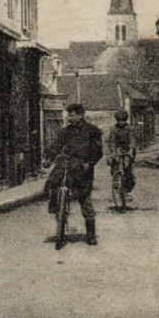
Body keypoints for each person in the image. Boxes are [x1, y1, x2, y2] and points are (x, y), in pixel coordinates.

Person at [44, 103, 104, 245]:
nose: (69, 118)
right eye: (68, 115)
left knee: (85, 199)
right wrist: (48, 159)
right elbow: (57, 145)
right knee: (53, 183)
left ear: (80, 115)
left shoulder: (92, 130)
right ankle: (58, 215)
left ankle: (91, 234)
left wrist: (89, 163)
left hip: (83, 167)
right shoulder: (66, 131)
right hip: (68, 164)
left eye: (72, 115)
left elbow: (98, 151)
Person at [107, 110, 137, 201]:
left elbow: (132, 140)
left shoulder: (129, 128)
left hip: (128, 149)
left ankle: (128, 191)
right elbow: (112, 142)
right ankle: (116, 187)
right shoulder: (114, 129)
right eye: (119, 121)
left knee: (128, 170)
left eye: (123, 120)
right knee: (114, 167)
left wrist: (131, 151)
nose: (121, 122)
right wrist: (113, 152)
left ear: (125, 120)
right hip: (118, 149)